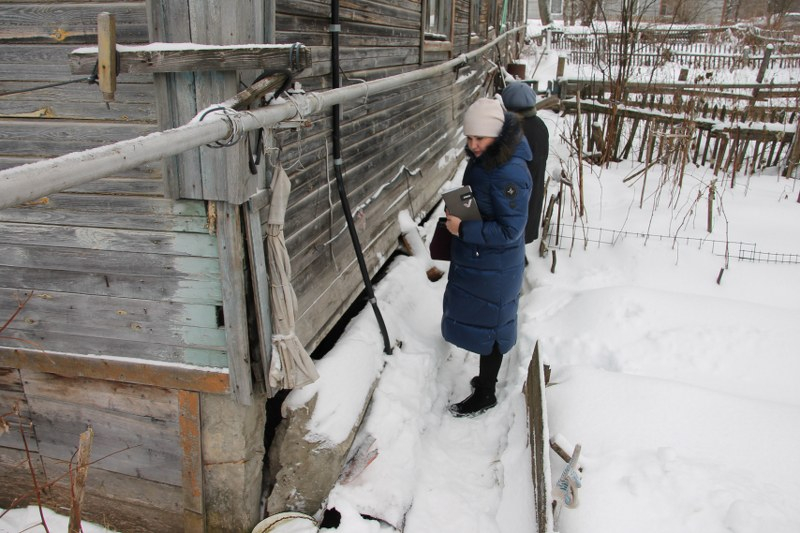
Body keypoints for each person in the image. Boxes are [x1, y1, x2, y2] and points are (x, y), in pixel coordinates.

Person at [442, 97, 532, 417]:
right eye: (469, 138)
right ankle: (485, 380)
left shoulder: (510, 174)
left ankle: (486, 394)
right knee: (485, 322)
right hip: (483, 260)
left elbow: (510, 231)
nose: (473, 145)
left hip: (497, 264)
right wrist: (460, 209)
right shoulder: (489, 159)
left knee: (492, 329)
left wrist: (463, 229)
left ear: (496, 134)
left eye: (479, 138)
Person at [501, 82, 549, 244]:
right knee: (520, 234)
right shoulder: (540, 126)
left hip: (513, 197)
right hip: (533, 191)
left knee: (510, 236)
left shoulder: (512, 130)